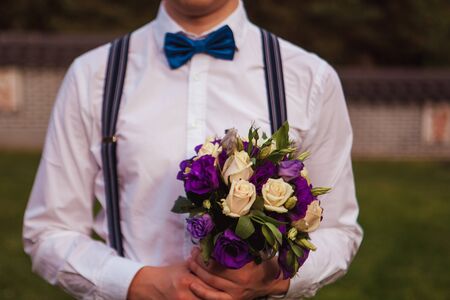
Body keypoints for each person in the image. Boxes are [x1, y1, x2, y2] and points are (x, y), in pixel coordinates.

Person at [22, 0, 363, 299]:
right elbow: (48, 231)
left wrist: (274, 277)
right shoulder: (93, 75)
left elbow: (338, 232)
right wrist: (135, 283)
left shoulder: (310, 78)